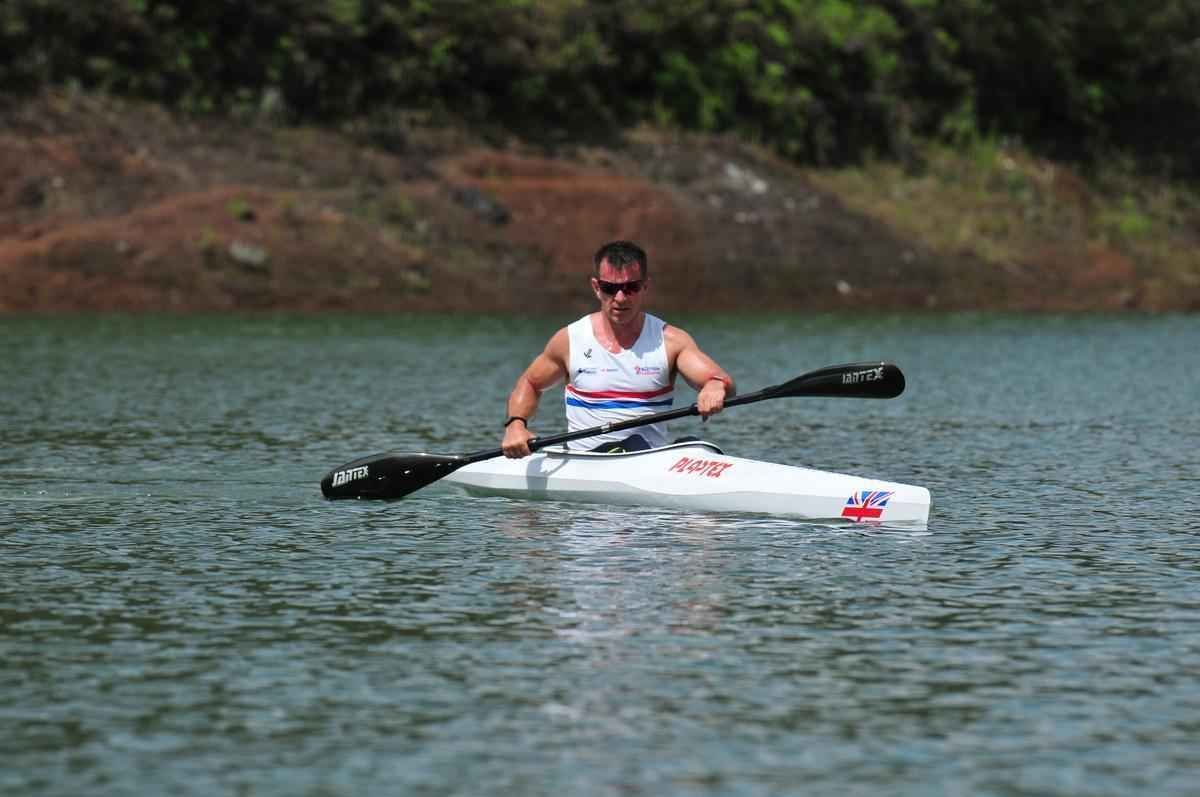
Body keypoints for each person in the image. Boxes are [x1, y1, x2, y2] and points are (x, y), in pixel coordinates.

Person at [501, 240, 735, 458]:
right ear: (596, 287)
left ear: (645, 286)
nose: (620, 298)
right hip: (588, 461)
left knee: (699, 447)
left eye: (630, 287)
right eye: (610, 288)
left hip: (649, 459)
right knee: (622, 447)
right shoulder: (570, 340)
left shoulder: (671, 341)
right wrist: (515, 425)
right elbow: (531, 383)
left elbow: (721, 381)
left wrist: (715, 386)